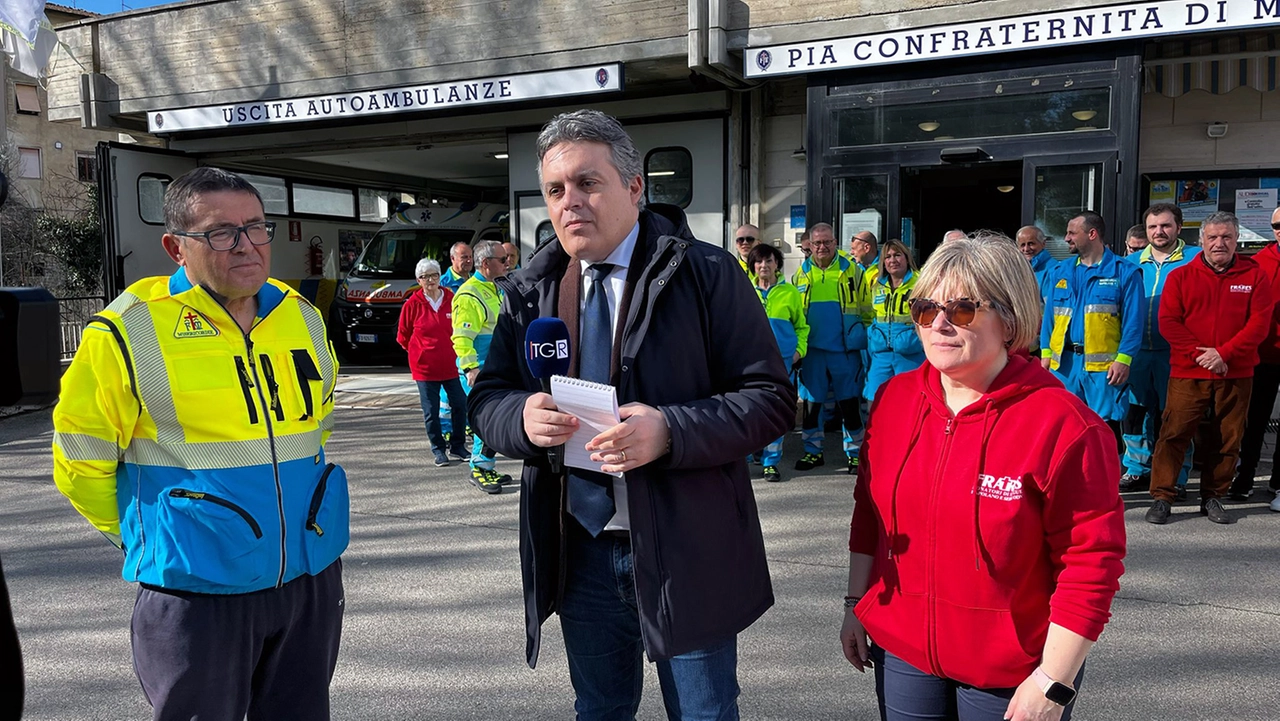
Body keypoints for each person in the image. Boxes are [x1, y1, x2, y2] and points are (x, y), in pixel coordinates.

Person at [469, 109, 795, 720]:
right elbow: (487, 399)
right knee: (600, 710)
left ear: (635, 187)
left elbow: (770, 398)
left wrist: (670, 430)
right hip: (580, 550)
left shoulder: (706, 273)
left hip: (684, 546)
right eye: (555, 190)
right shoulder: (530, 290)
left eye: (588, 183)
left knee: (703, 713)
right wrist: (522, 418)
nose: (570, 203)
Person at [52, 167, 348, 720]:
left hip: (308, 579)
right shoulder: (129, 330)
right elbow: (79, 463)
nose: (246, 245)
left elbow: (315, 430)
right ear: (176, 247)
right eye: (220, 232)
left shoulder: (300, 316)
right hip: (196, 591)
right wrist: (159, 538)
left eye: (256, 227)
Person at [841, 233, 1126, 721]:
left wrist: (1053, 681)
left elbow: (1090, 562)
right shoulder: (893, 400)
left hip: (1014, 669)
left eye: (964, 309)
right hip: (905, 652)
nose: (941, 324)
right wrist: (854, 603)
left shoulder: (1064, 425)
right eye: (926, 309)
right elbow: (870, 512)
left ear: (1010, 318)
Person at [1145, 212, 1275, 525]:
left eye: (1227, 237)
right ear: (1201, 240)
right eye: (1213, 237)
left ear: (1236, 240)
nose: (1220, 243)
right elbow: (1169, 323)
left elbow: (1259, 324)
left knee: (1228, 438)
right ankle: (1163, 497)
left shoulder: (1254, 275)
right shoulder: (1181, 277)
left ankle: (1213, 496)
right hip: (1188, 372)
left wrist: (1225, 354)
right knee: (1173, 434)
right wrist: (1201, 355)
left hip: (1236, 372)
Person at [1040, 212, 1143, 438]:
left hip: (1104, 370)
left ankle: (1105, 474)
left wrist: (1124, 359)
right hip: (1064, 367)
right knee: (1065, 425)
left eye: (1072, 233)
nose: (1066, 238)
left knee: (1103, 431)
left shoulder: (1124, 272)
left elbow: (1134, 322)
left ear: (1092, 234)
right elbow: (1050, 319)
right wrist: (1045, 353)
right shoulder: (1059, 272)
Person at [1119, 204, 1199, 497]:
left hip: (1175, 355)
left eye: (1165, 226)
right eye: (1153, 227)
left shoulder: (1194, 260)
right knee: (1135, 413)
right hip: (1137, 353)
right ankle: (1137, 468)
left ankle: (1175, 474)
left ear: (1179, 227)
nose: (1159, 232)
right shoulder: (1129, 263)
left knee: (1174, 416)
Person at [792, 222, 869, 474]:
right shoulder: (800, 275)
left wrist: (863, 339)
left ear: (836, 243)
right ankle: (813, 453)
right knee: (812, 409)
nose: (822, 247)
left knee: (849, 407)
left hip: (845, 352)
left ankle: (855, 454)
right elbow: (794, 317)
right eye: (817, 243)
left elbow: (867, 309)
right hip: (813, 353)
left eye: (827, 242)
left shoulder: (853, 272)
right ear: (810, 246)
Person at [452, 239, 513, 494]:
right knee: (487, 418)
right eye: (503, 259)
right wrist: (471, 370)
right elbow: (462, 338)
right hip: (480, 369)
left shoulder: (493, 287)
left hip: (495, 367)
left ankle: (486, 464)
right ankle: (479, 467)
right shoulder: (469, 294)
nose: (508, 262)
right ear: (486, 264)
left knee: (495, 417)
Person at [398, 258, 471, 467]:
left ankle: (457, 445)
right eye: (425, 277)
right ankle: (438, 449)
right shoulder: (412, 304)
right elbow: (403, 336)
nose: (430, 280)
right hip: (425, 369)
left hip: (451, 365)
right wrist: (418, 353)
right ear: (418, 280)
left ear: (440, 277)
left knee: (459, 404)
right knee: (431, 412)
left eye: (434, 275)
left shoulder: (451, 298)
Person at [1231, 204, 1280, 510]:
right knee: (1254, 421)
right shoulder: (1259, 262)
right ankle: (1245, 476)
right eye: (1276, 225)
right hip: (1263, 356)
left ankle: (1278, 482)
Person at [749, 242, 809, 482]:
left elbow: (801, 327)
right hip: (750, 363)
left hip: (782, 363)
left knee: (775, 411)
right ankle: (750, 453)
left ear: (777, 265)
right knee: (750, 409)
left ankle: (771, 462)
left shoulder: (790, 292)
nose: (764, 265)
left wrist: (797, 353)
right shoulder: (744, 290)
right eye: (759, 261)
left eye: (769, 261)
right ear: (753, 266)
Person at [862, 239, 923, 402]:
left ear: (907, 257)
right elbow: (869, 316)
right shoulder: (876, 285)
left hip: (910, 353)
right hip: (881, 353)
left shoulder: (921, 282)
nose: (892, 260)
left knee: (909, 401)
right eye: (888, 257)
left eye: (897, 255)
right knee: (874, 400)